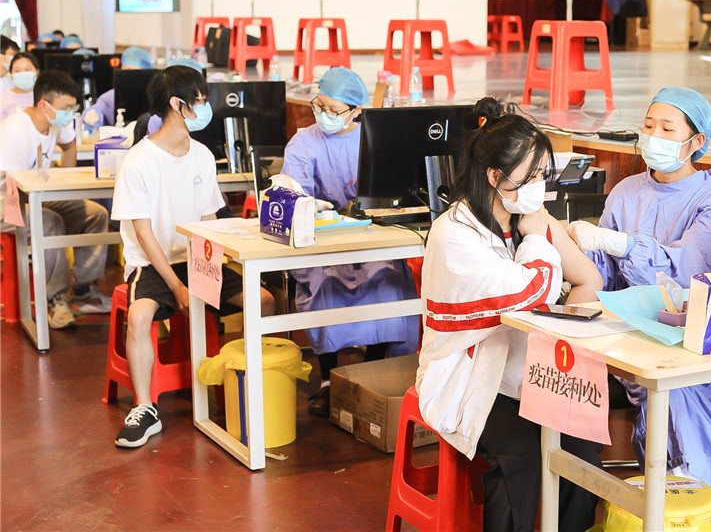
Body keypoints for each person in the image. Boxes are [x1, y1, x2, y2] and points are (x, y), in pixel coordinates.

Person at [567, 86, 711, 523]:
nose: (654, 137)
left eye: (667, 129)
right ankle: (682, 482)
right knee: (666, 392)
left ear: (696, 141)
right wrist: (571, 255)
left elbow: (691, 267)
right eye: (649, 126)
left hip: (700, 328)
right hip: (637, 332)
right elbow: (603, 275)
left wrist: (620, 243)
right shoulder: (624, 192)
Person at [417, 97, 605, 532]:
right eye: (532, 176)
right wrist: (538, 239)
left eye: (543, 174)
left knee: (582, 452)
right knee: (522, 456)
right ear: (495, 176)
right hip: (473, 378)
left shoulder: (527, 216)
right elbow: (531, 289)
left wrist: (557, 326)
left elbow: (589, 279)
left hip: (530, 374)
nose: (540, 186)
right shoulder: (454, 233)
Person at [110, 65, 276, 448]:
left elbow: (208, 220)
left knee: (264, 300)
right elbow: (143, 233)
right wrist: (178, 287)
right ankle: (144, 407)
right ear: (177, 105)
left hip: (197, 255)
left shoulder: (201, 155)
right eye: (200, 100)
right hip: (154, 263)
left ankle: (247, 381)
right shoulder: (138, 161)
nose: (206, 108)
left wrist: (210, 269)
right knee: (139, 316)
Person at [281, 66, 420, 417]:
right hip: (323, 241)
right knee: (325, 285)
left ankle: (373, 369)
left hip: (373, 240)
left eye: (333, 109)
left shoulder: (373, 141)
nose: (323, 114)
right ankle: (329, 377)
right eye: (320, 105)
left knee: (387, 282)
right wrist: (316, 208)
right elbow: (294, 193)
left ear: (356, 111)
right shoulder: (303, 143)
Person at [0, 70, 112, 328]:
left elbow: (69, 145)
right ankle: (56, 299)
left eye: (73, 107)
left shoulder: (56, 123)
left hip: (36, 194)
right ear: (43, 105)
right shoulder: (15, 131)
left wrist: (63, 181)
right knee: (49, 222)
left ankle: (84, 290)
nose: (70, 114)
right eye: (66, 108)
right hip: (7, 200)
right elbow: (10, 188)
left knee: (96, 214)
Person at [82, 47, 153, 131]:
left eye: (134, 72)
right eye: (125, 71)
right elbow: (99, 107)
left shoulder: (155, 97)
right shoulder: (111, 97)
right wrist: (93, 114)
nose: (130, 77)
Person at [0, 52, 40, 121]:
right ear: (11, 74)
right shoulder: (3, 100)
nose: (23, 73)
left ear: (37, 71)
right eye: (17, 71)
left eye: (27, 69)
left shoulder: (45, 96)